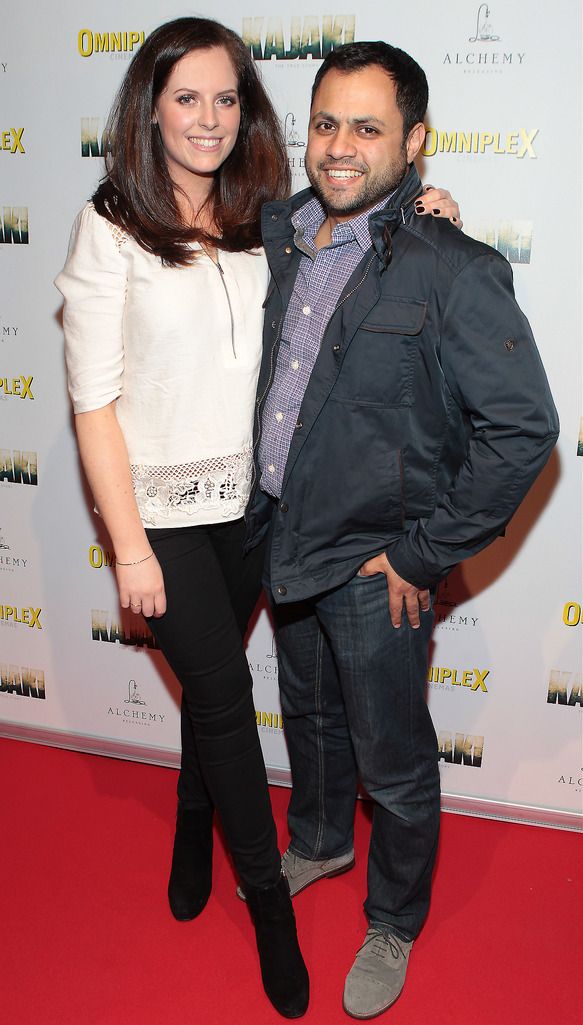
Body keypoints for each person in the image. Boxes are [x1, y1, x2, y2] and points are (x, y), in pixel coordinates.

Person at [56, 15, 459, 1017]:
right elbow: (91, 401)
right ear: (149, 108)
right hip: (160, 519)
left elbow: (363, 227)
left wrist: (429, 206)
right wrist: (128, 549)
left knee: (211, 688)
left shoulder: (264, 219)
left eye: (227, 98)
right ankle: (271, 908)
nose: (207, 118)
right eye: (185, 97)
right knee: (226, 689)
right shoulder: (109, 223)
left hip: (251, 510)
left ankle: (194, 820)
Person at [244, 41, 559, 1020]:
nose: (340, 147)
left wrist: (424, 550)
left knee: (394, 755)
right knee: (310, 716)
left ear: (414, 141)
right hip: (280, 537)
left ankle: (394, 916)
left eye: (368, 127)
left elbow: (524, 428)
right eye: (327, 123)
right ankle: (321, 837)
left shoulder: (450, 266)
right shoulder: (276, 232)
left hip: (377, 561)